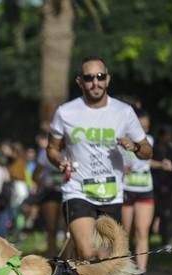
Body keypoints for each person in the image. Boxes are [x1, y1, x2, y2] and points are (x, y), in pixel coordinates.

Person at [47, 56, 152, 260]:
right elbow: (52, 148)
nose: (95, 82)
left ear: (108, 79)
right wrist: (59, 161)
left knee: (105, 258)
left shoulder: (123, 112)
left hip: (111, 193)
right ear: (80, 82)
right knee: (88, 251)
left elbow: (148, 151)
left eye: (100, 76)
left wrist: (135, 146)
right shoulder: (65, 112)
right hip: (77, 190)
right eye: (89, 78)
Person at [120, 109, 154, 275]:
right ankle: (126, 269)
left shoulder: (150, 142)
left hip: (145, 191)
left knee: (142, 231)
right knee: (126, 232)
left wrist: (161, 164)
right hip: (127, 190)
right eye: (141, 126)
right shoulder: (123, 142)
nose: (144, 129)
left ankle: (141, 272)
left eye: (147, 126)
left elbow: (148, 160)